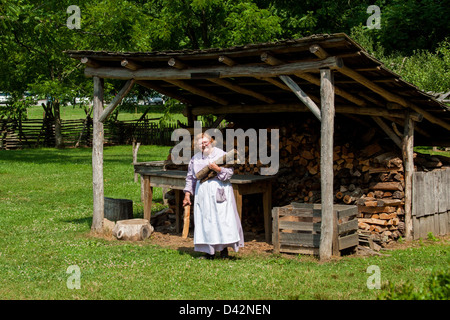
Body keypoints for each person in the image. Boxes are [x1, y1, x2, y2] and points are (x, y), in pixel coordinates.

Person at [183, 133, 244, 259]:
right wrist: (187, 194)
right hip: (203, 194)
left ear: (211, 141)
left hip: (219, 190)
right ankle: (209, 252)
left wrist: (217, 169)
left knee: (222, 220)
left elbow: (229, 173)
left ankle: (224, 252)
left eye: (206, 142)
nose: (204, 145)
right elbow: (191, 178)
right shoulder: (195, 159)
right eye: (200, 143)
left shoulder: (221, 155)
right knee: (206, 221)